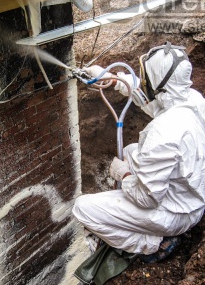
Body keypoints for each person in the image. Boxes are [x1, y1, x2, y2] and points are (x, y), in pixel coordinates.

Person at [73, 42, 205, 262]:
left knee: (82, 208)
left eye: (147, 79)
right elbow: (157, 98)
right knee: (131, 150)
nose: (144, 83)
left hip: (175, 213)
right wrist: (115, 80)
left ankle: (155, 244)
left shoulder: (164, 132)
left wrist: (124, 175)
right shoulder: (192, 99)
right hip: (191, 195)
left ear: (157, 84)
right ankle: (125, 210)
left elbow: (147, 198)